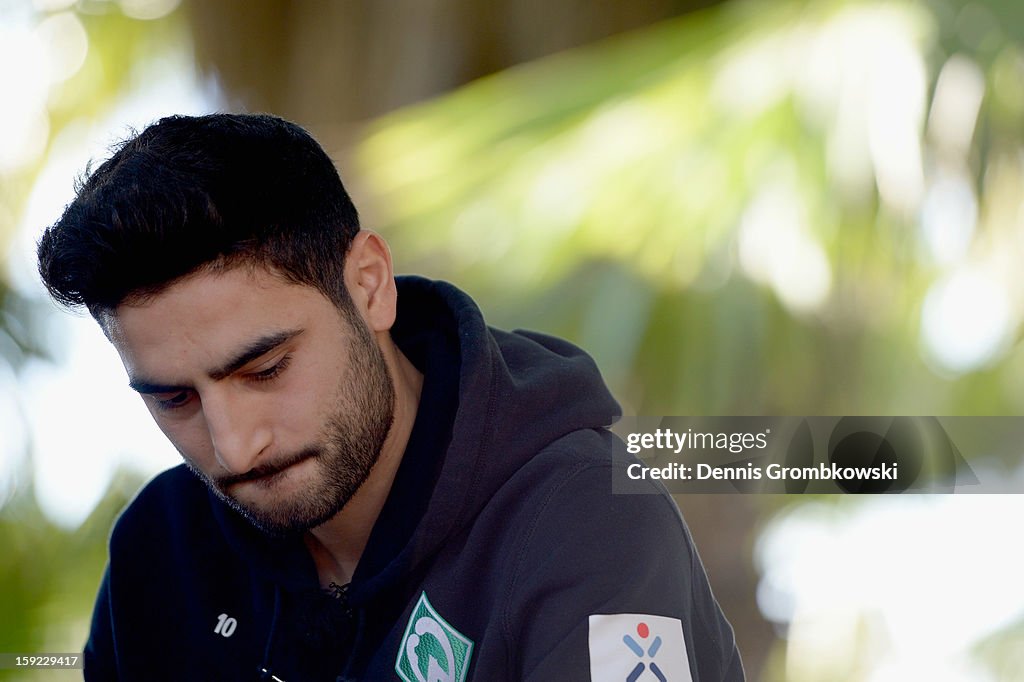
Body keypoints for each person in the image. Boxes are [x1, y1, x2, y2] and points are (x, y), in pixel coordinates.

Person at [37, 113, 743, 681]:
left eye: (267, 369)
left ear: (370, 285)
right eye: (175, 401)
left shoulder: (585, 521)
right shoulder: (162, 552)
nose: (233, 446)